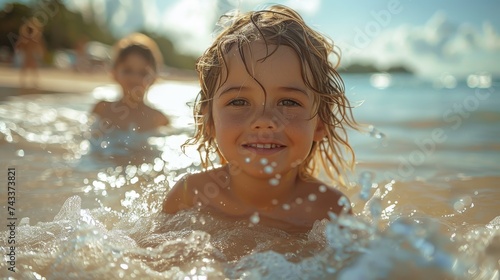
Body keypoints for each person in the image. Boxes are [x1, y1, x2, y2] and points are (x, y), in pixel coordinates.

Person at [162, 5, 357, 232]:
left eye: (288, 102)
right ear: (210, 121)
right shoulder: (190, 196)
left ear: (320, 124)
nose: (264, 120)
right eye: (239, 102)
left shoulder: (329, 211)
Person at [91, 33, 169, 132]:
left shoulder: (159, 119)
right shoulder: (101, 109)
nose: (134, 78)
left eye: (143, 73)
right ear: (114, 73)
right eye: (128, 70)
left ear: (154, 78)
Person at [15, 18, 45, 89]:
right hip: (29, 56)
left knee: (29, 69)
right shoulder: (30, 38)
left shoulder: (29, 38)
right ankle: (29, 82)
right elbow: (39, 45)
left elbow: (19, 45)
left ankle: (28, 82)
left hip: (28, 56)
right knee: (30, 69)